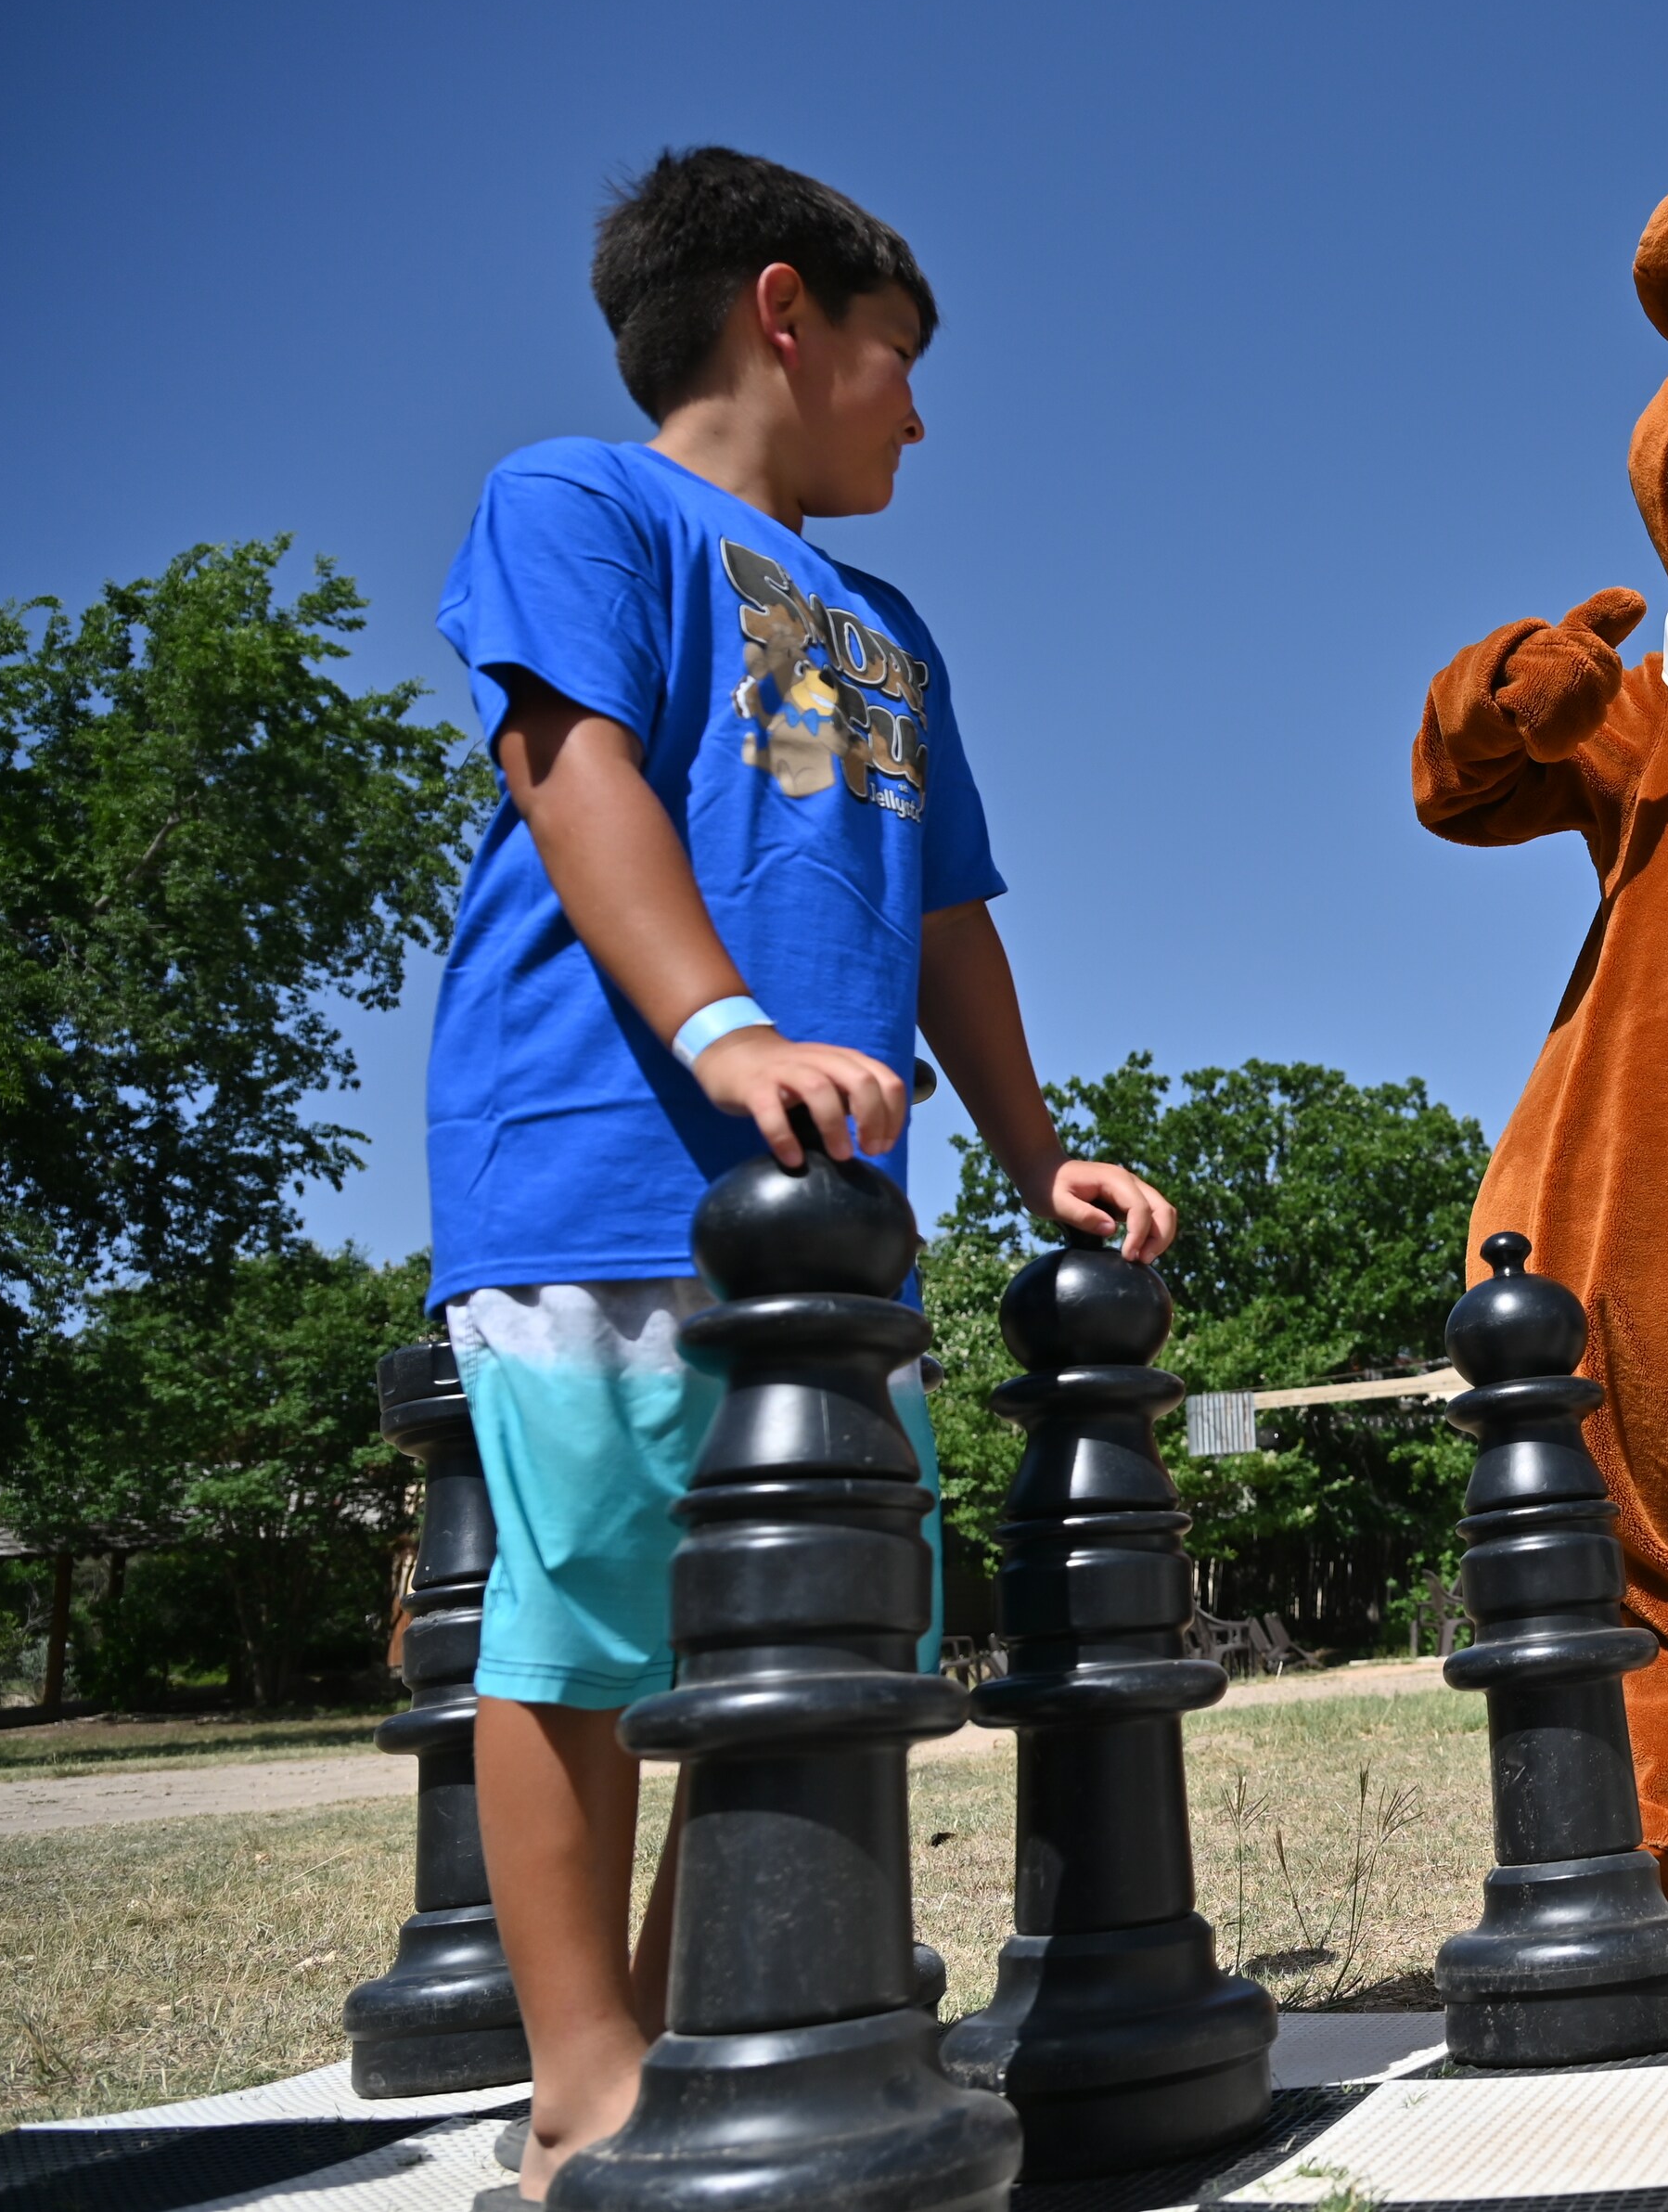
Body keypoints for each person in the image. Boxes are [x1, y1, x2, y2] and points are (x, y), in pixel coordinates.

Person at [425, 147, 1177, 2200]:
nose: (919, 415)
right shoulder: (580, 500)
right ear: (786, 313)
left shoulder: (892, 629)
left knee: (821, 1636)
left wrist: (1038, 1157)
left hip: (835, 1242)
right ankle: (580, 2088)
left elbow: (946, 921)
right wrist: (726, 1031)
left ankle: (707, 2035)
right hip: (601, 1164)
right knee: (590, 1620)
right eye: (899, 356)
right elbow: (571, 769)